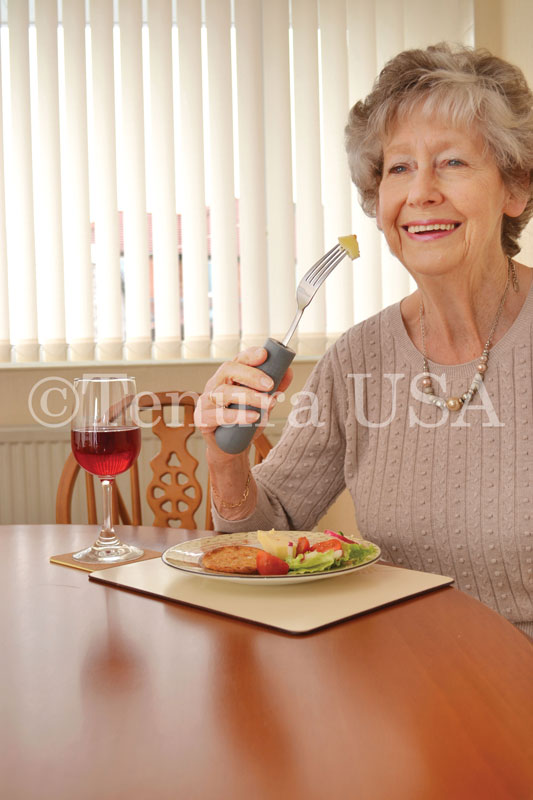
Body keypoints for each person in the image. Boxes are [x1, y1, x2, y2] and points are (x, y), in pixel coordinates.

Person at [194, 43, 533, 639]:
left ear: (516, 191)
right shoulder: (357, 359)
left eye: (453, 162)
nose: (421, 192)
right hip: (399, 678)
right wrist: (227, 461)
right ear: (378, 204)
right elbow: (266, 539)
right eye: (399, 168)